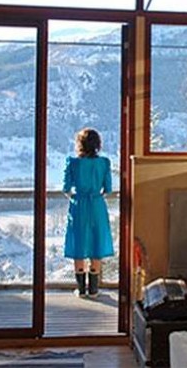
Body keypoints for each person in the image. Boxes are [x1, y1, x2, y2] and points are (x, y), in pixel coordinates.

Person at [63, 128, 114, 299]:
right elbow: (108, 188)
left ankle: (81, 289)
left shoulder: (73, 163)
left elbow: (66, 188)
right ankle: (94, 290)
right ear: (97, 144)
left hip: (79, 205)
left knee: (79, 243)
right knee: (96, 244)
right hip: (97, 205)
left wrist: (75, 196)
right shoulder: (104, 163)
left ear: (80, 144)